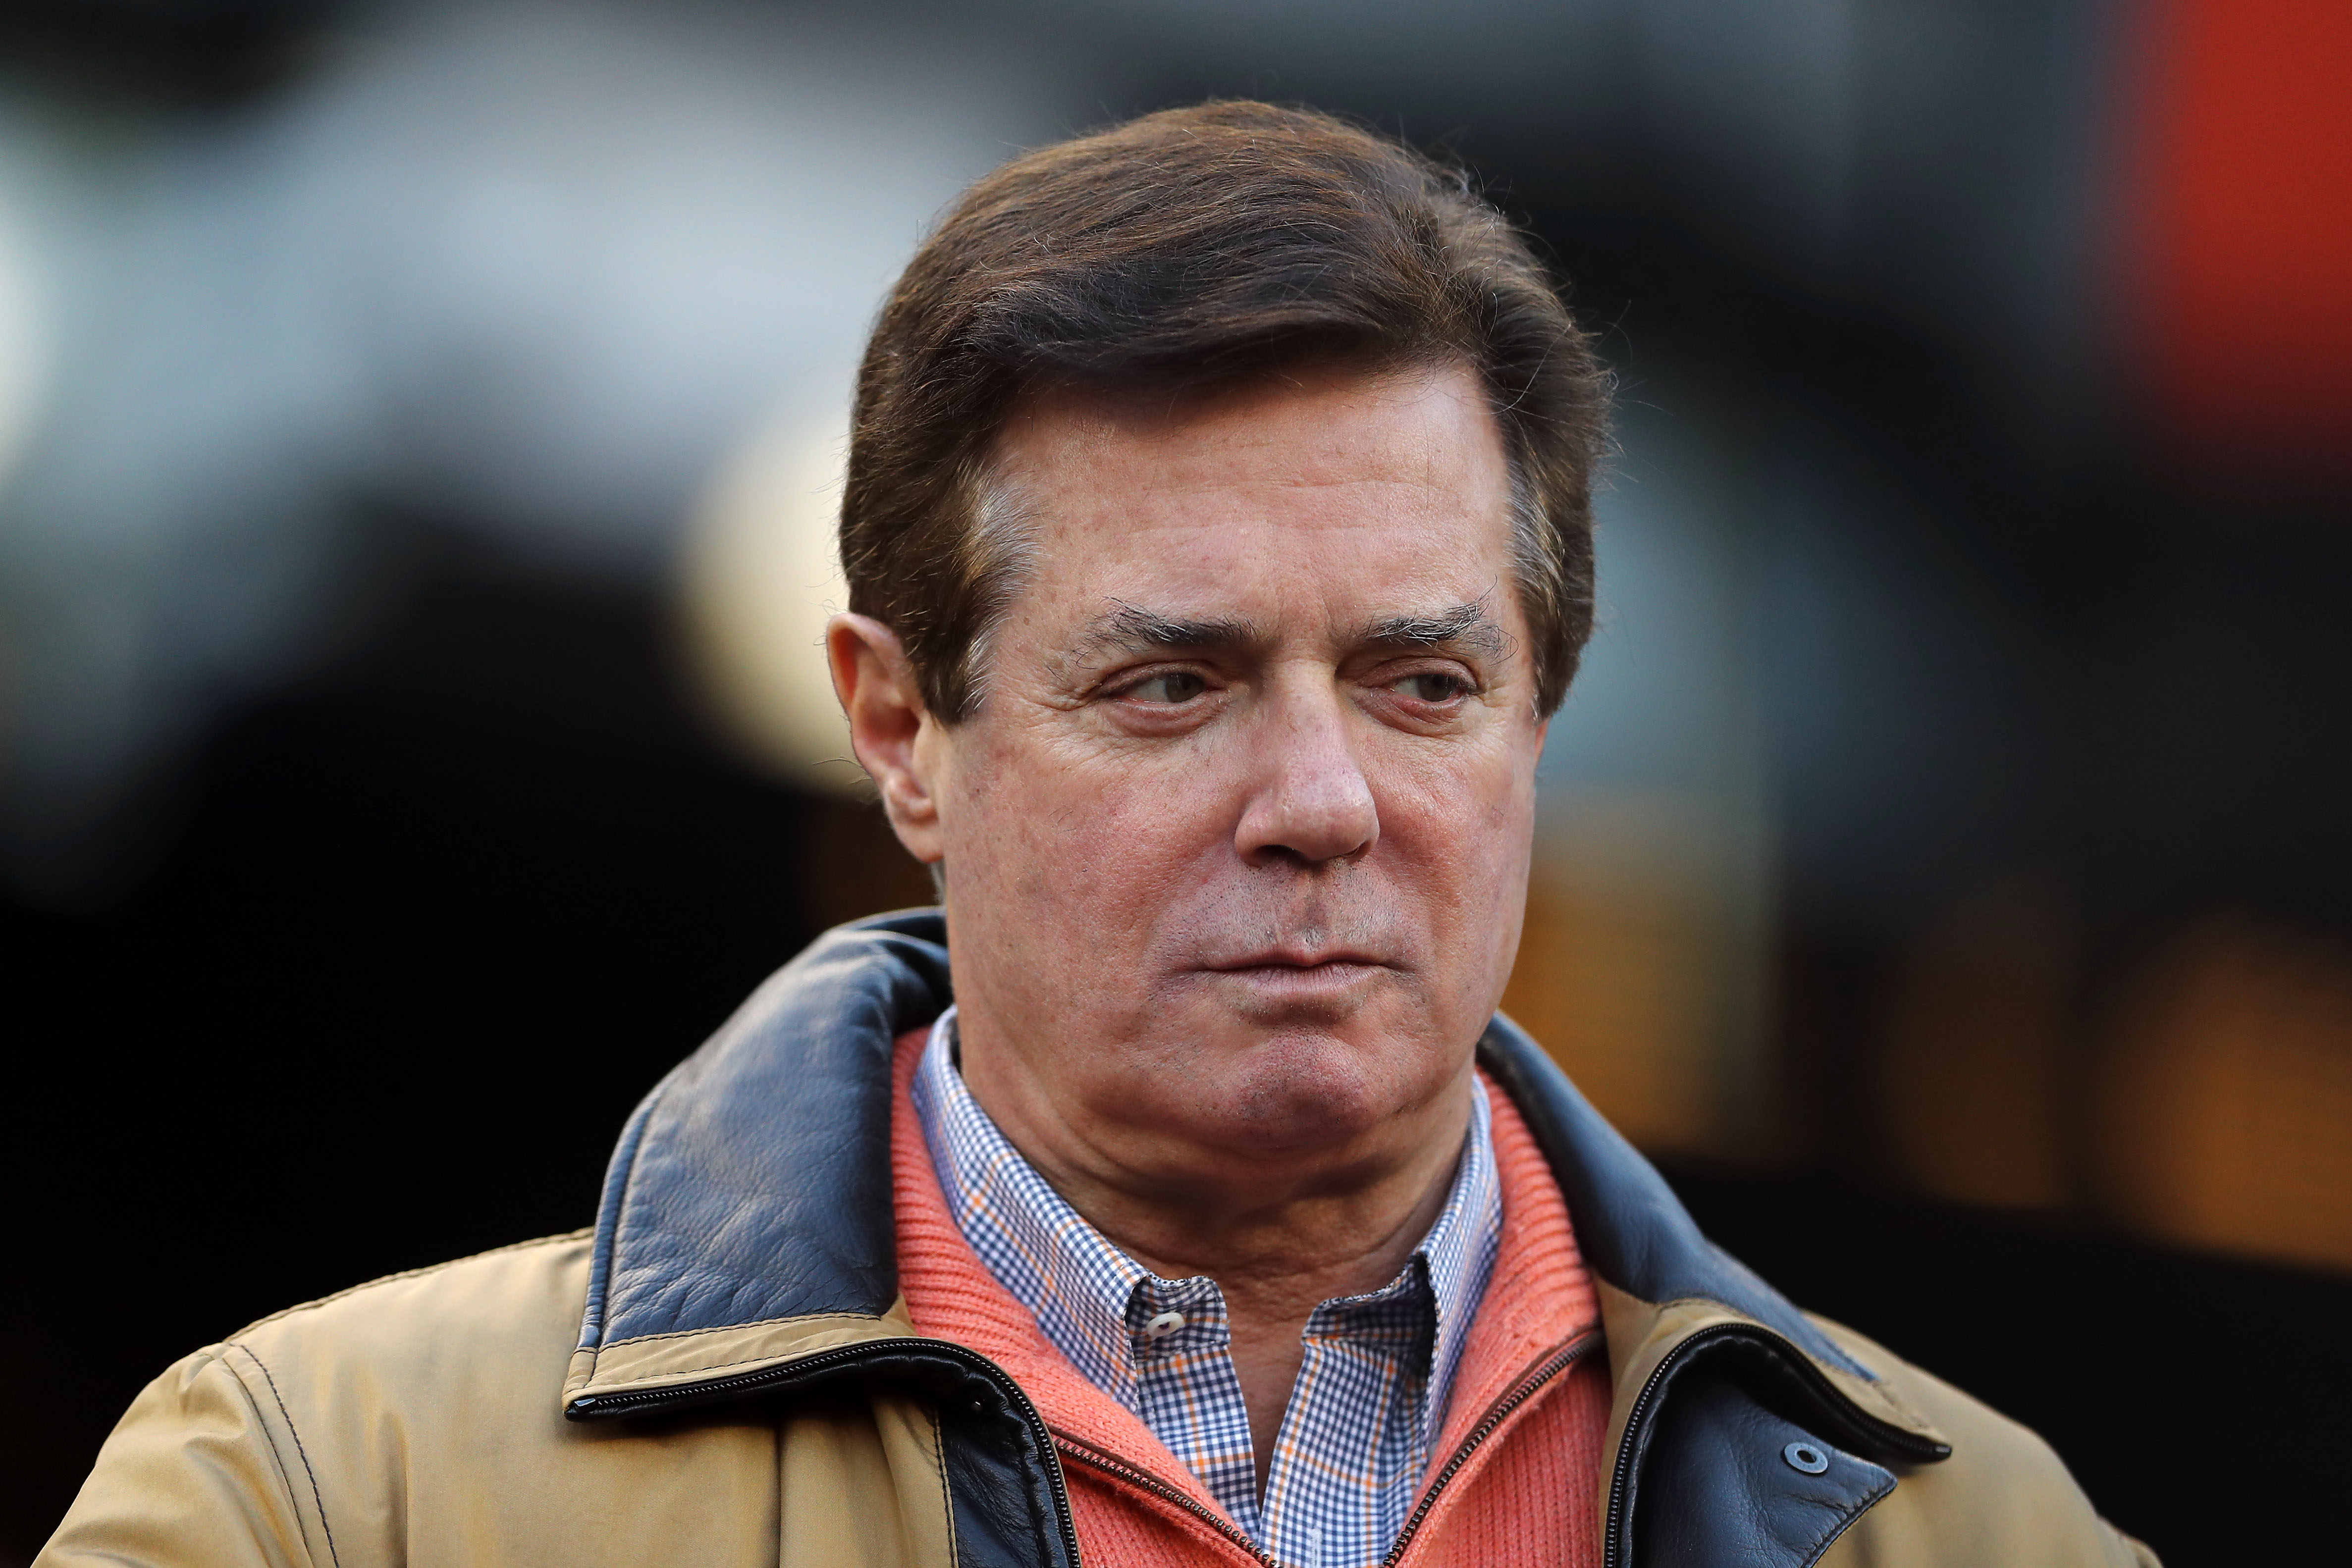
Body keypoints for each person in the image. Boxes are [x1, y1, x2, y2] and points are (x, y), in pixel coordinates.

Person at [42, 102, 2155, 1568]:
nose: (1322, 807)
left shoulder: (1975, 1537)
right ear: (901, 734)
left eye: (1422, 687)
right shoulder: (340, 1500)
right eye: (1171, 686)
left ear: (1541, 723)